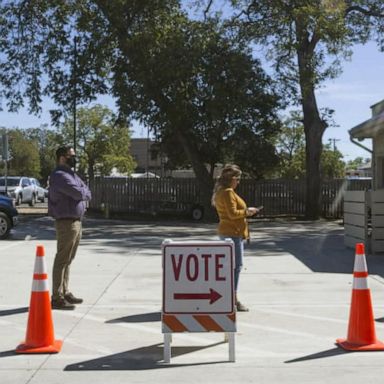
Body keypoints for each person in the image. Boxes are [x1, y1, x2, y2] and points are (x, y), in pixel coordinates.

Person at [48, 146, 92, 310]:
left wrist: (83, 191)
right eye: (71, 156)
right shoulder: (59, 176)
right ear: (62, 157)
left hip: (76, 221)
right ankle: (57, 297)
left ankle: (65, 291)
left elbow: (87, 191)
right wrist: (82, 191)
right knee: (62, 259)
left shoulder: (71, 175)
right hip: (66, 222)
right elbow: (78, 193)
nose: (74, 158)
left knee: (68, 259)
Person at [211, 164, 260, 312]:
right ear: (231, 179)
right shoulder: (227, 192)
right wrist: (247, 211)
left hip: (229, 232)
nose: (239, 181)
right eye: (237, 178)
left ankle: (229, 297)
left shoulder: (222, 192)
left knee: (231, 267)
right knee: (236, 266)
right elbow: (233, 214)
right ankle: (233, 298)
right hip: (232, 233)